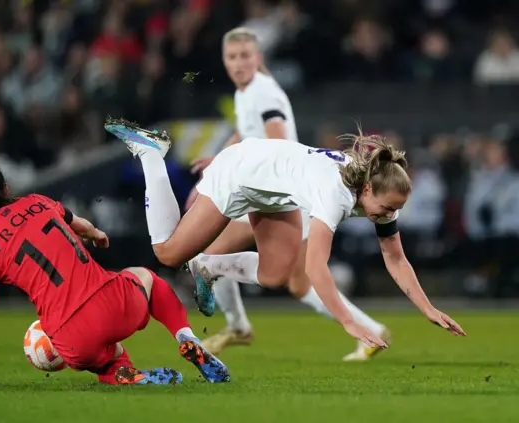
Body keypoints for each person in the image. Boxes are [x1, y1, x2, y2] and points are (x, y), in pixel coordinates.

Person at [104, 120, 466, 349]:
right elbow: (316, 268)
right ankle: (152, 154)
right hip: (241, 175)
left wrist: (428, 308)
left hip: (275, 190)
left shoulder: (379, 192)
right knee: (168, 253)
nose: (388, 216)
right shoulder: (335, 195)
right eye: (386, 208)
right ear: (368, 190)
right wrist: (349, 321)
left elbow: (395, 257)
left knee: (275, 274)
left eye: (394, 209)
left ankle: (208, 267)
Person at [0, 149, 230, 387]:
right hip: (116, 305)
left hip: (70, 339)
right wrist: (96, 233)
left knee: (104, 357)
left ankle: (124, 373)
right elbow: (79, 224)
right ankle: (186, 338)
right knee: (146, 277)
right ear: (5, 186)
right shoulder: (37, 202)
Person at [185, 27, 389, 361]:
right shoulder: (247, 93)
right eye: (232, 57)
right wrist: (221, 156)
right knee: (298, 282)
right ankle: (371, 330)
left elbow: (276, 139)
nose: (239, 63)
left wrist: (231, 169)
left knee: (204, 255)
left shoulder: (263, 93)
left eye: (245, 56)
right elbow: (247, 131)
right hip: (280, 190)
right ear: (225, 61)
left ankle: (237, 325)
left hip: (276, 192)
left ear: (258, 58)